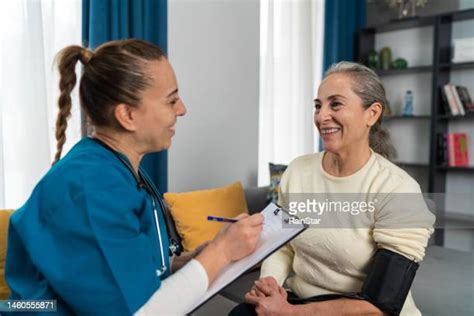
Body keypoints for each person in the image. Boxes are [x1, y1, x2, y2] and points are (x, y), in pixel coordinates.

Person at [5, 39, 264, 315]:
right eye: (172, 100)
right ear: (127, 115)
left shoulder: (118, 167)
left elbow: (127, 268)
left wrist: (190, 260)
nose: (182, 109)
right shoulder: (92, 188)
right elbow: (141, 311)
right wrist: (221, 252)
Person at [231, 62, 435, 316]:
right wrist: (270, 284)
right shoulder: (297, 171)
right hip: (302, 300)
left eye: (335, 104)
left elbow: (380, 305)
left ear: (371, 114)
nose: (321, 116)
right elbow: (282, 245)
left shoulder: (398, 189)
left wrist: (289, 313)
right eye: (318, 106)